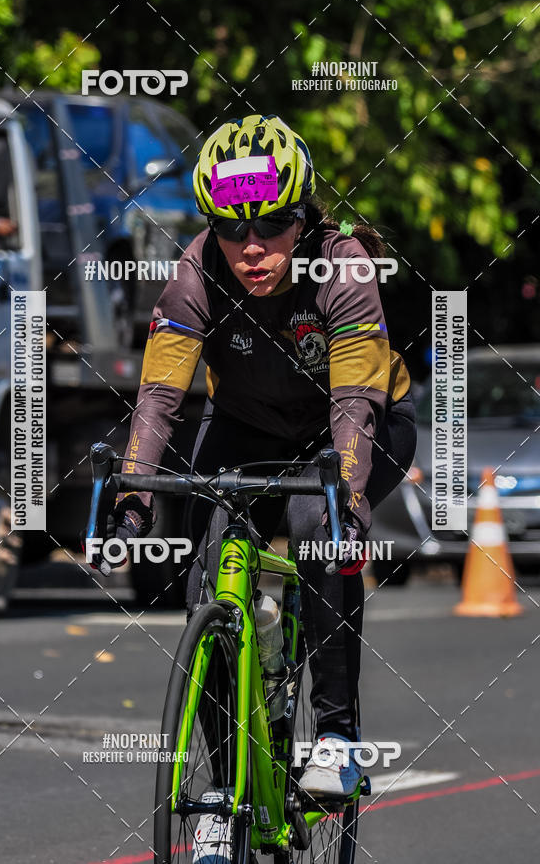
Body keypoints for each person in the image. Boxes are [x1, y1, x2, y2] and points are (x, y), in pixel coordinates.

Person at [102, 114, 417, 808]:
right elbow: (158, 397)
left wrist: (350, 503)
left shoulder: (343, 267)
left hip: (357, 424)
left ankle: (336, 734)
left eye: (270, 224)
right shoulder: (195, 273)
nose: (251, 247)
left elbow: (355, 406)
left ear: (301, 218)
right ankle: (221, 794)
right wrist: (134, 501)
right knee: (207, 584)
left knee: (317, 527)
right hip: (246, 424)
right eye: (229, 227)